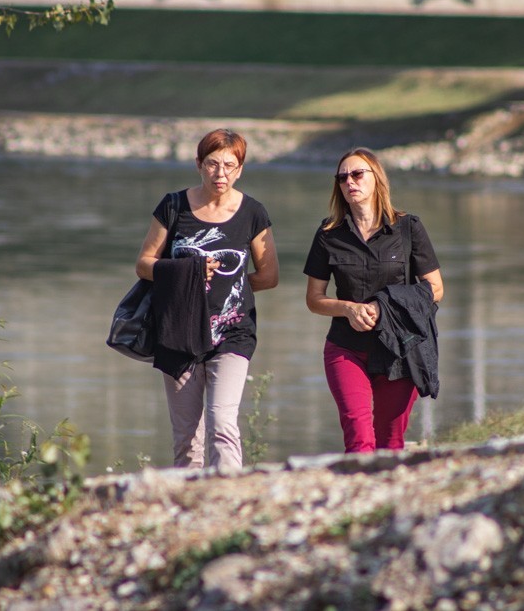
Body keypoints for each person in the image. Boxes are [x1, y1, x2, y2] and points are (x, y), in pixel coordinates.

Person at [135, 129, 279, 470]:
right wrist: (188, 276)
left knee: (222, 424)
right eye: (213, 164)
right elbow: (144, 264)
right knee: (186, 437)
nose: (221, 174)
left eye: (230, 165)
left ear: (240, 169)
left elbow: (268, 276)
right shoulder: (173, 206)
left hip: (232, 332)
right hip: (178, 332)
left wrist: (229, 289)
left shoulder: (253, 213)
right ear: (199, 164)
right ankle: (188, 507)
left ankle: (230, 501)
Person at [303, 147, 443, 454]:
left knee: (390, 444)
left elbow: (435, 288)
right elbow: (314, 299)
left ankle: (387, 501)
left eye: (357, 174)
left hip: (399, 350)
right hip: (345, 348)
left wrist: (386, 306)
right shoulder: (329, 233)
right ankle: (355, 500)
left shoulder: (408, 227)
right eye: (342, 178)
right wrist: (347, 308)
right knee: (358, 438)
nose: (349, 182)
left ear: (376, 178)